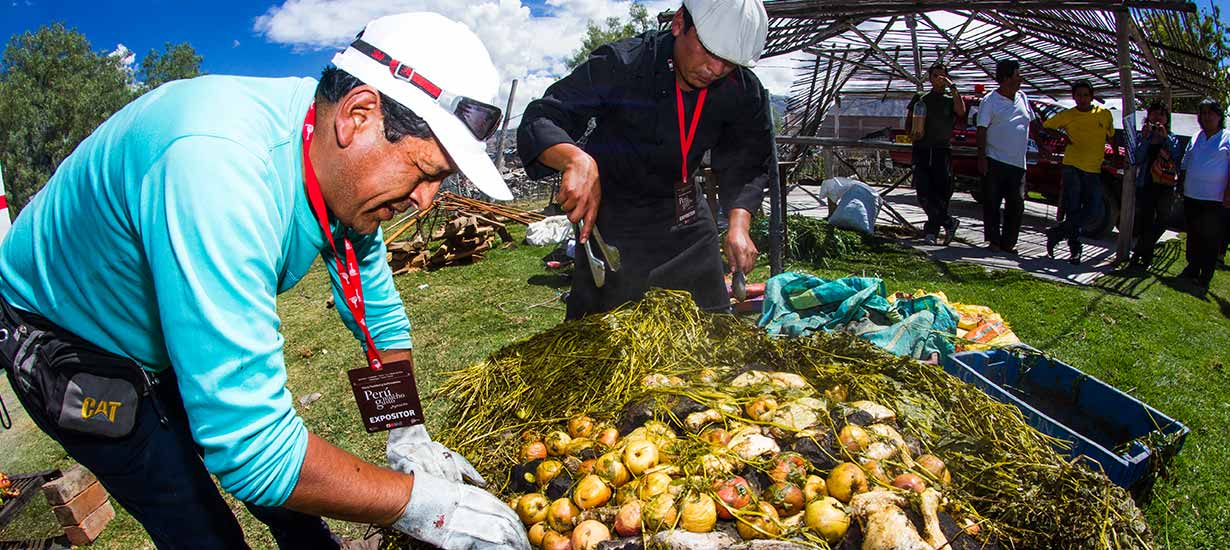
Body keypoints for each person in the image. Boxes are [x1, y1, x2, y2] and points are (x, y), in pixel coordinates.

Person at [0, 12, 529, 550]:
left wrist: (407, 431)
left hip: (170, 312)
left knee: (295, 510)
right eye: (424, 172)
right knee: (195, 520)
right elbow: (254, 451)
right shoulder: (216, 167)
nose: (426, 200)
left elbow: (376, 313)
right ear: (358, 115)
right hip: (71, 342)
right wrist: (427, 508)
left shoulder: (334, 158)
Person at [517, 0, 775, 319]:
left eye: (729, 62)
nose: (717, 69)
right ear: (680, 22)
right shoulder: (625, 63)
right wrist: (575, 160)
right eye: (710, 52)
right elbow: (542, 118)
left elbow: (747, 158)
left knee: (712, 324)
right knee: (603, 334)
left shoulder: (741, 90)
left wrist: (739, 223)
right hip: (615, 218)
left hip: (685, 216)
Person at [1042, 80, 1115, 265]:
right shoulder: (1068, 115)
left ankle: (1058, 232)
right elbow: (1047, 126)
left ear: (1091, 96)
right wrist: (1063, 136)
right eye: (1078, 95)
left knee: (1093, 209)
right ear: (1074, 96)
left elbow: (1111, 136)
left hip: (1093, 168)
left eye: (1085, 95)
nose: (1082, 99)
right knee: (1073, 208)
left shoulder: (1104, 114)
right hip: (1072, 166)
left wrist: (1114, 155)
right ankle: (1075, 251)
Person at [977, 60, 1034, 255]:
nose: (1021, 79)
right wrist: (982, 157)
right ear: (1006, 78)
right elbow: (982, 129)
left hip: (1018, 162)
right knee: (992, 202)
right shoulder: (990, 100)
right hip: (995, 159)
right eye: (1018, 75)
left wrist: (1043, 145)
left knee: (1016, 203)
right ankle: (993, 240)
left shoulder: (1023, 97)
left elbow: (1032, 123)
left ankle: (1008, 243)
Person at [905, 63, 966, 246]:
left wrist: (952, 87)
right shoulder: (921, 98)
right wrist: (911, 134)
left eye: (942, 76)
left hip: (941, 150)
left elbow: (961, 111)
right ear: (930, 78)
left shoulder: (949, 99)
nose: (939, 79)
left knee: (941, 192)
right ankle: (948, 222)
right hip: (923, 149)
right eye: (936, 76)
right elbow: (909, 121)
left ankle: (932, 231)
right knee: (924, 192)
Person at [1176, 98, 1230, 288]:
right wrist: (1181, 184)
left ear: (1218, 116)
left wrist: (1228, 192)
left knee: (1210, 236)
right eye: (1203, 113)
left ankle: (1205, 274)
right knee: (1193, 233)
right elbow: (1185, 161)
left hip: (1214, 198)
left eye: (1210, 113)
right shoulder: (1196, 136)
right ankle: (1192, 267)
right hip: (1192, 194)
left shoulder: (1227, 137)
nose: (1206, 117)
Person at [1129, 101, 1185, 269]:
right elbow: (1137, 159)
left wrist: (1165, 137)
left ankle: (1139, 251)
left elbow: (1177, 157)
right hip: (1146, 183)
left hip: (1165, 185)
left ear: (1167, 119)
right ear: (1148, 116)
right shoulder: (1143, 135)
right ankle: (1145, 259)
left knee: (1162, 220)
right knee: (1145, 221)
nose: (1158, 117)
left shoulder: (1172, 136)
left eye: (1161, 114)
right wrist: (1146, 139)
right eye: (1154, 113)